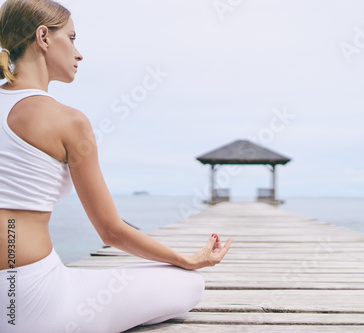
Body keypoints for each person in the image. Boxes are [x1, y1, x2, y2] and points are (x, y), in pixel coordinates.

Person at [0, 0, 233, 332]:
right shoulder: (68, 121)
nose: (79, 53)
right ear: (43, 37)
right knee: (189, 284)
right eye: (72, 37)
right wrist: (188, 259)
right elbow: (110, 232)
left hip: (15, 296)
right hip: (31, 300)